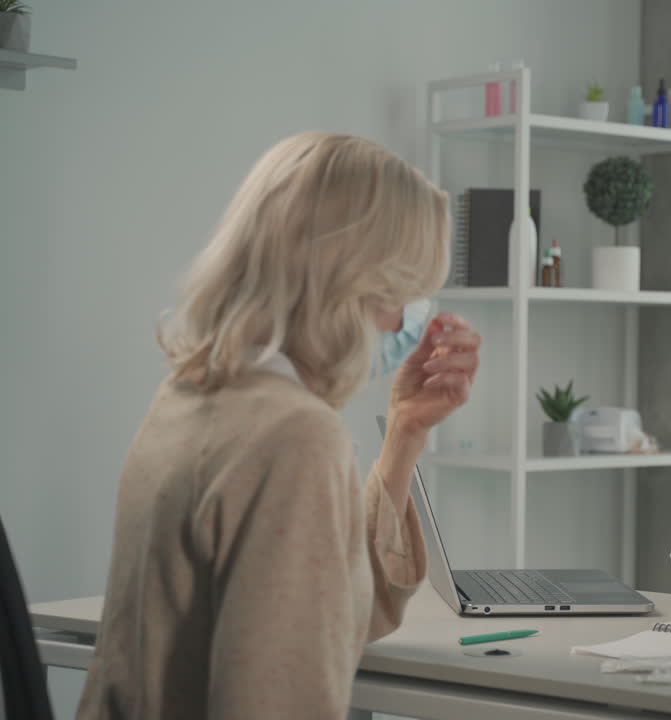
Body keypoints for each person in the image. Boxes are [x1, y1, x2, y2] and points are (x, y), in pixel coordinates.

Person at [77, 132, 481, 718]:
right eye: (401, 295)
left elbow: (327, 610)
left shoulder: (190, 395)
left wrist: (404, 434)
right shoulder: (293, 435)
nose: (405, 320)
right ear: (351, 284)